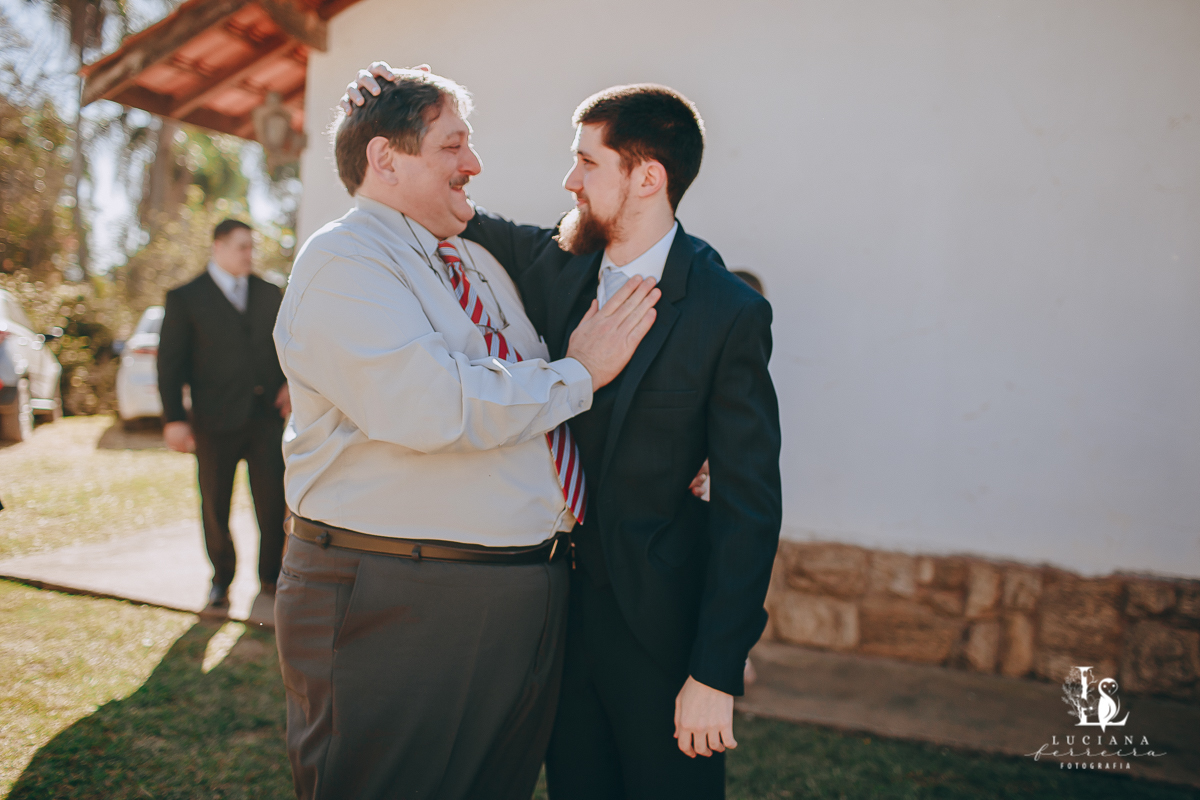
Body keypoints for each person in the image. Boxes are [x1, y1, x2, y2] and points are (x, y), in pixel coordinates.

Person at [345, 67, 782, 800]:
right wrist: (380, 121)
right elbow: (442, 201)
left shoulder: (726, 311)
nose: (569, 181)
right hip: (552, 623)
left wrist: (714, 669)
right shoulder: (557, 262)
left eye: (587, 162)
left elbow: (749, 505)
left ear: (647, 177)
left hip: (659, 637)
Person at [273, 69, 659, 800]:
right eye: (454, 146)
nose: (474, 164)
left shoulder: (477, 259)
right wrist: (579, 374)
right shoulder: (343, 262)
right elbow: (434, 406)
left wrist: (686, 449)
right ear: (386, 159)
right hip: (401, 597)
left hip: (519, 591)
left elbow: (533, 395)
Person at [157, 218, 289, 622]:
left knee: (272, 504)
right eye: (241, 247)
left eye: (252, 247)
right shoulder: (186, 297)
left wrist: (289, 383)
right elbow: (170, 362)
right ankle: (222, 578)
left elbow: (291, 345)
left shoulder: (270, 293)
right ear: (217, 247)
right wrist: (174, 419)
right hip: (213, 422)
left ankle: (271, 577)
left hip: (266, 418)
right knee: (215, 504)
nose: (250, 255)